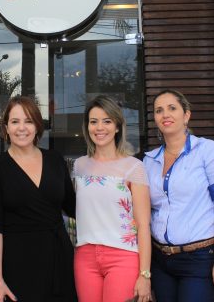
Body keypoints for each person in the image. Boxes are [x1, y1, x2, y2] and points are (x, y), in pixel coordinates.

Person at [143, 89, 214, 302]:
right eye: (159, 110)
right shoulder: (149, 161)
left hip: (200, 260)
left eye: (172, 108)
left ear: (186, 115)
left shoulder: (207, 151)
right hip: (161, 261)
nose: (165, 114)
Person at [0, 96, 76, 302]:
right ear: (6, 127)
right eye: (15, 121)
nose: (21, 128)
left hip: (59, 260)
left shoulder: (55, 159)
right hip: (17, 264)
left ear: (37, 126)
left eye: (28, 121)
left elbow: (74, 207)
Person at [72, 96, 152, 302]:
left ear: (117, 126)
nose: (100, 127)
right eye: (93, 121)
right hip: (85, 257)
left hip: (123, 257)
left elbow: (143, 225)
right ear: (87, 126)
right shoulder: (79, 166)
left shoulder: (134, 167)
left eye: (107, 121)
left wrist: (145, 274)